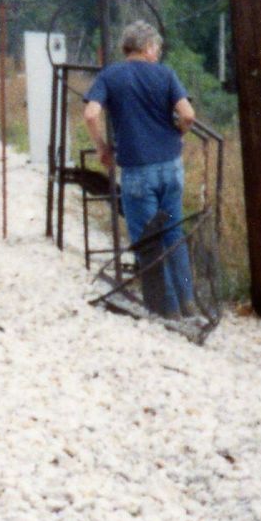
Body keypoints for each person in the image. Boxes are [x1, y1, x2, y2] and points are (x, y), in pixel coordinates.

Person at [82, 21, 197, 318]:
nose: (157, 53)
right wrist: (178, 133)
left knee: (148, 240)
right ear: (146, 47)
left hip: (137, 173)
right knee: (173, 233)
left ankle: (167, 307)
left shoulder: (110, 75)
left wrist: (102, 148)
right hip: (170, 168)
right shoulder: (166, 74)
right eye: (156, 47)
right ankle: (188, 299)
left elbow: (91, 114)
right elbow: (188, 115)